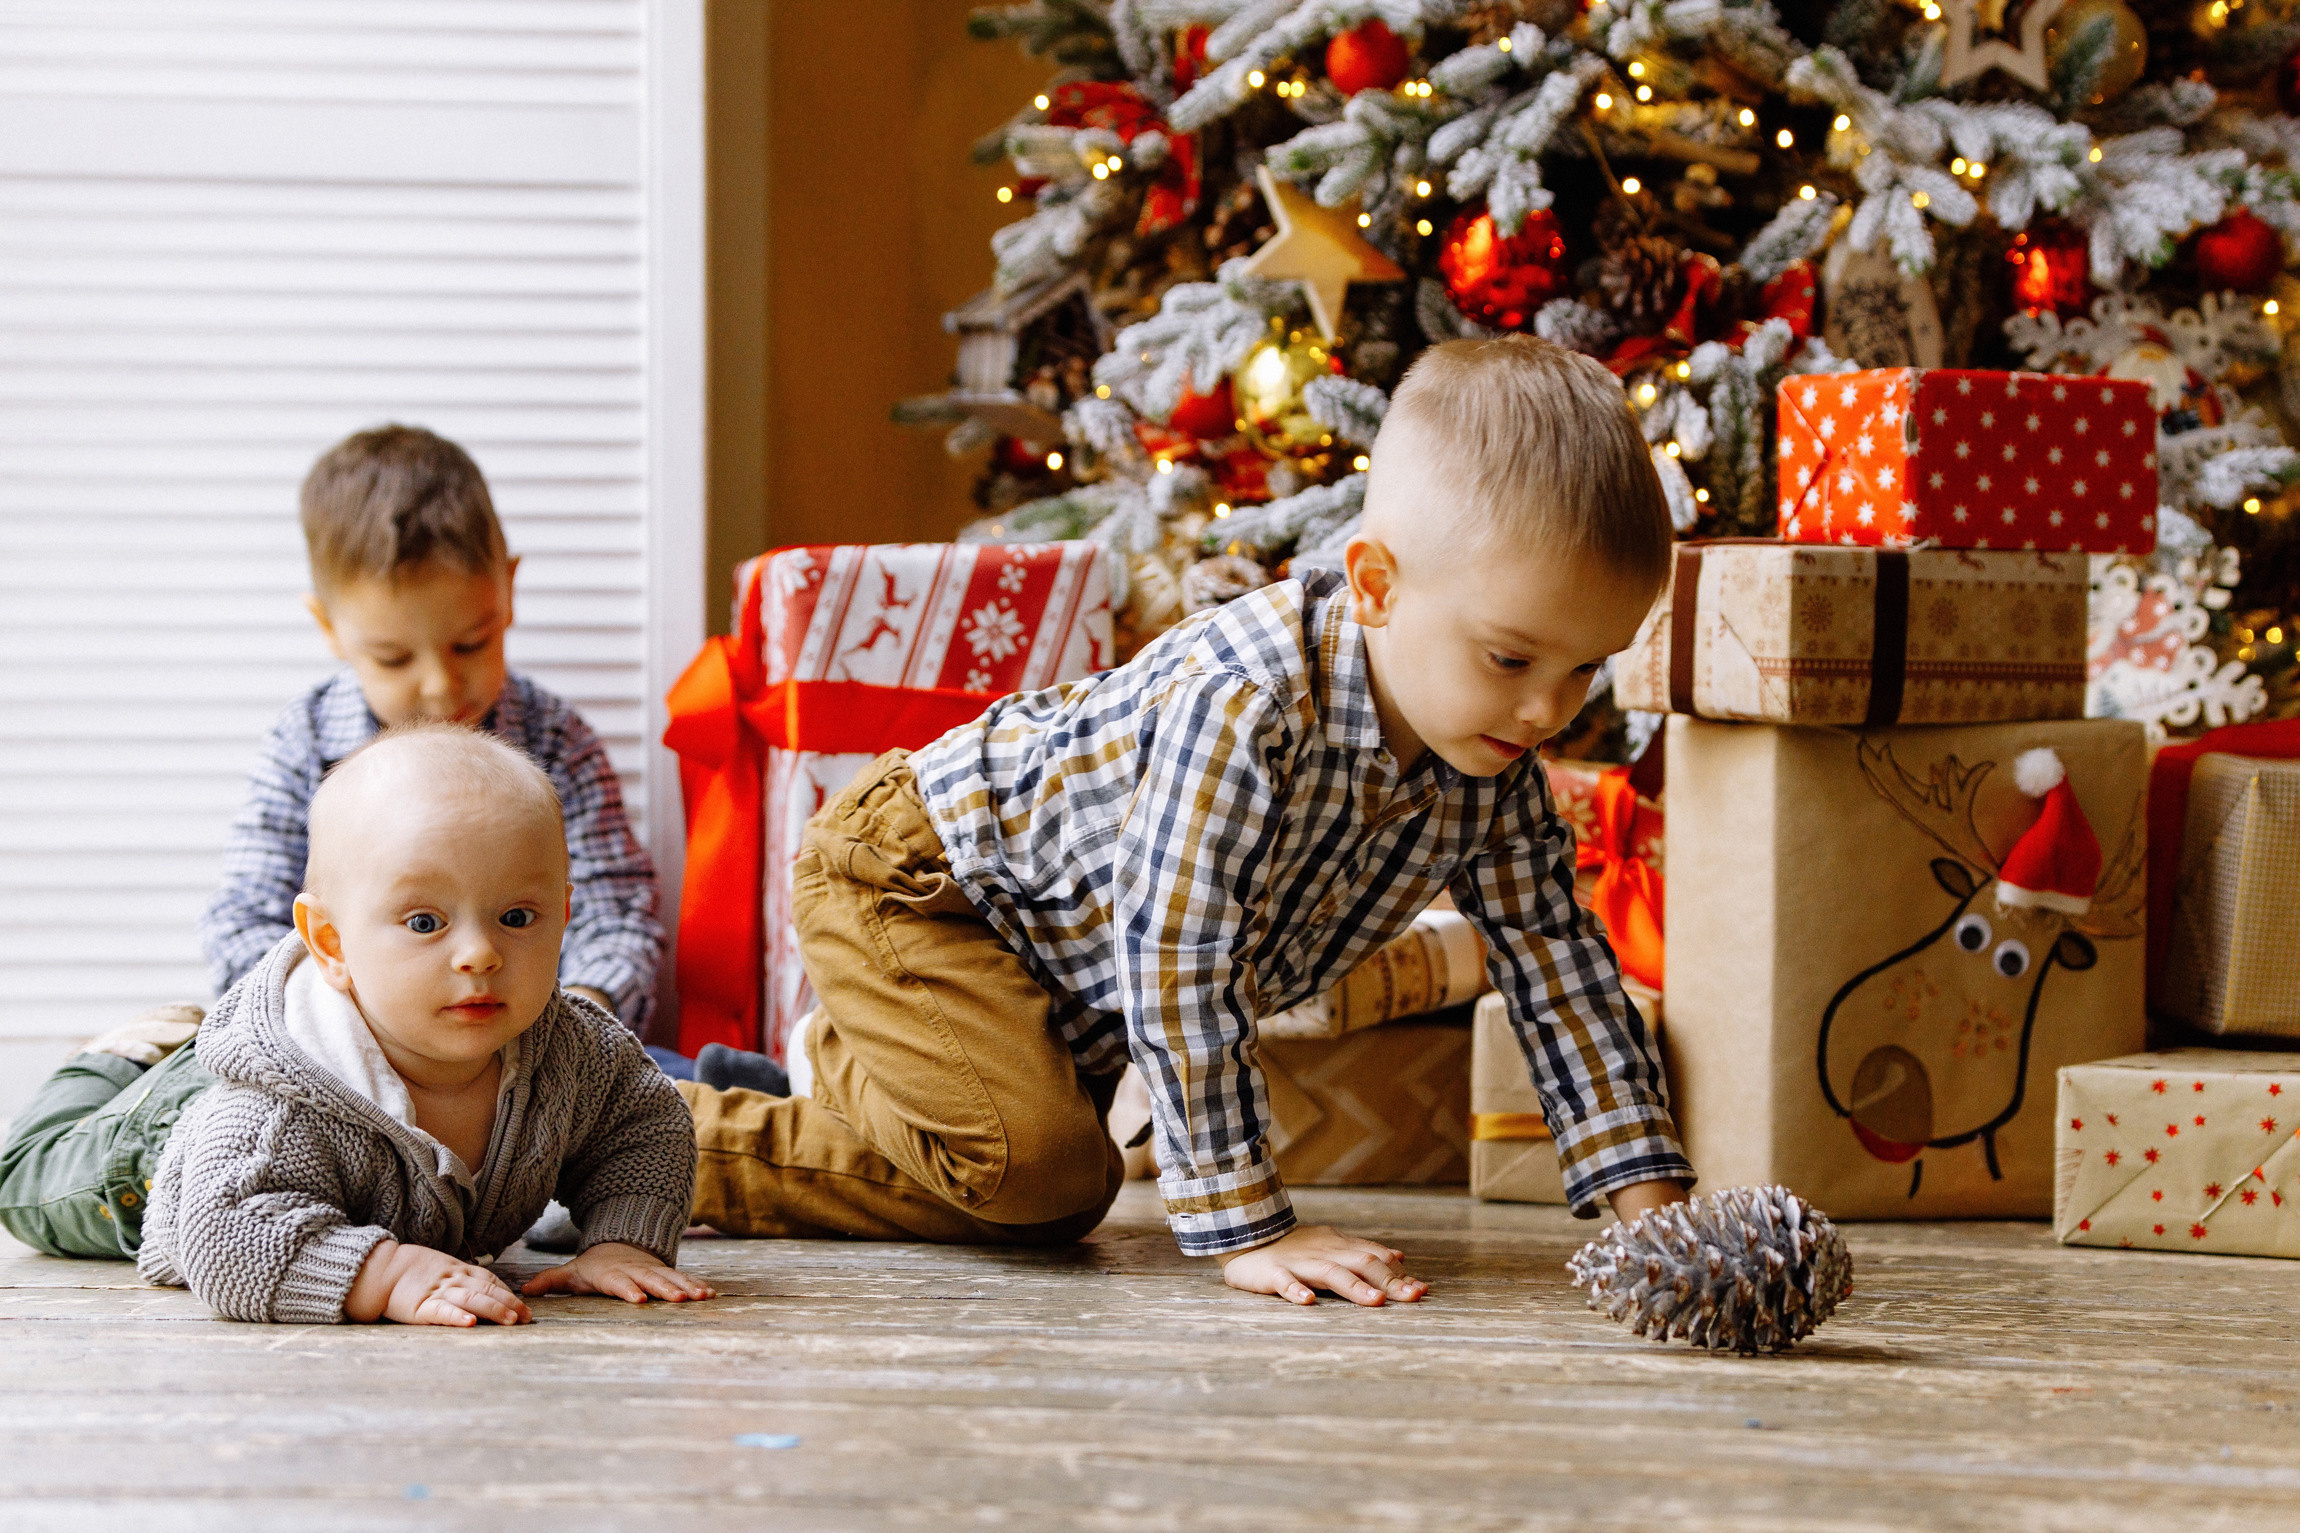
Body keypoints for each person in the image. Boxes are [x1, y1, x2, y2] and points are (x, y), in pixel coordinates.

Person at [678, 335, 1695, 1305]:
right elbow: (1176, 957)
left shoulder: (1490, 761)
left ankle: (859, 1073)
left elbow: (1556, 964)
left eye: (1582, 669)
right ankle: (653, 1133)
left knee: (1029, 1178)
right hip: (917, 884)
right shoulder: (1246, 701)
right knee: (1042, 1183)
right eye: (1511, 659)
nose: (1546, 711)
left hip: (1046, 971)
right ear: (1376, 587)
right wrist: (1251, 1228)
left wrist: (1650, 1212)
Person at [0, 724, 712, 1326]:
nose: (480, 953)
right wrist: (386, 1272)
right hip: (148, 1162)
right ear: (333, 944)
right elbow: (221, 1239)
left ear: (563, 913)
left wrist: (625, 1241)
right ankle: (107, 1062)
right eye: (425, 921)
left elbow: (645, 1125)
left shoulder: (576, 1053)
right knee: (23, 1179)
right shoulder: (275, 1117)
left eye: (517, 917)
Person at [196, 424, 667, 1040]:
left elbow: (618, 917)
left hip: (528, 1044)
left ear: (508, 591)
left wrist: (575, 1015)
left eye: (472, 643)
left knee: (678, 1085)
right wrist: (354, 1015)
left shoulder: (556, 741)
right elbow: (243, 924)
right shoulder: (305, 745)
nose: (441, 685)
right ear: (329, 627)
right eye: (394, 658)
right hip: (350, 1048)